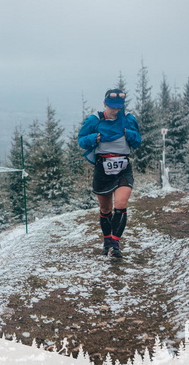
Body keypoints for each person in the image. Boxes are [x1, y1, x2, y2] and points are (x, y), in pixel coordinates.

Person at [78, 89, 141, 258]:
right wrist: (94, 138)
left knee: (121, 203)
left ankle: (115, 244)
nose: (115, 110)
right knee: (105, 208)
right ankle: (107, 240)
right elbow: (81, 141)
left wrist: (130, 134)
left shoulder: (129, 119)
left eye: (118, 107)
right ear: (105, 104)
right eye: (112, 107)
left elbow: (138, 141)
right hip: (103, 167)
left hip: (123, 167)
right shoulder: (94, 120)